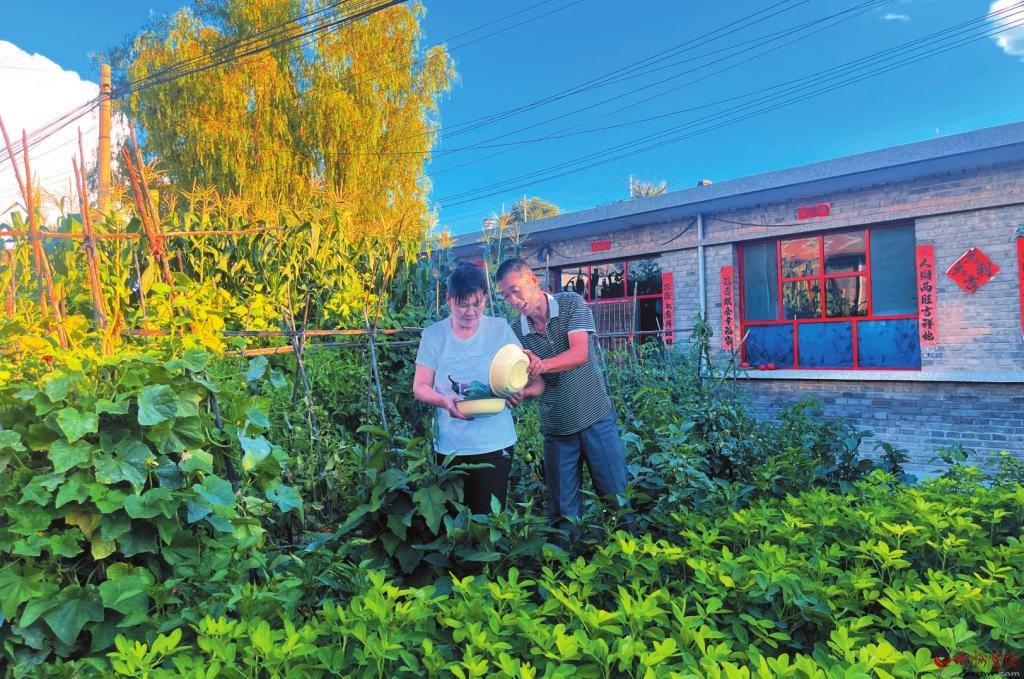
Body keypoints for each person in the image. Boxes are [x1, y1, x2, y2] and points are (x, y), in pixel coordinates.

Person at [495, 258, 631, 536]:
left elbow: (579, 354)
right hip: (557, 431)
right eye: (505, 295)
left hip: (596, 420)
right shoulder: (516, 331)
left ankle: (632, 559)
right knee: (562, 517)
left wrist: (542, 364)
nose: (513, 300)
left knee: (617, 502)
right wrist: (523, 392)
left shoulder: (570, 304)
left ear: (533, 280)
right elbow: (539, 384)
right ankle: (564, 564)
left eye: (515, 290)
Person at [413, 262, 544, 515]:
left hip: (494, 443)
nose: (470, 312)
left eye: (477, 303)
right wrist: (444, 402)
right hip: (450, 447)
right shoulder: (434, 336)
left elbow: (527, 376)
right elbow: (420, 387)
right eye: (463, 304)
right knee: (453, 522)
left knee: (488, 520)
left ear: (485, 297)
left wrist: (519, 390)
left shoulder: (499, 329)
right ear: (449, 300)